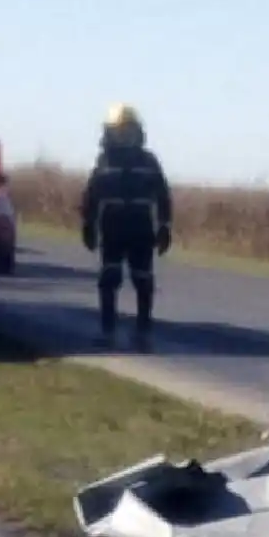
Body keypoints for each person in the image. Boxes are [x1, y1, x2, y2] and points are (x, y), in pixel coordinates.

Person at [79, 103, 172, 351]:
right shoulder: (104, 161)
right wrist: (88, 223)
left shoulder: (149, 161)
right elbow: (91, 194)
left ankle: (143, 333)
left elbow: (163, 195)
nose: (124, 137)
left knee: (143, 281)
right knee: (109, 278)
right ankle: (107, 331)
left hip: (141, 229)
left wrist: (164, 226)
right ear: (109, 133)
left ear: (138, 133)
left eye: (128, 132)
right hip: (112, 229)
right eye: (119, 132)